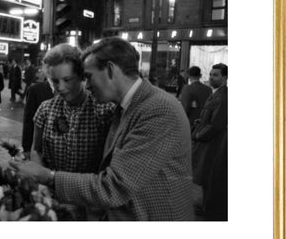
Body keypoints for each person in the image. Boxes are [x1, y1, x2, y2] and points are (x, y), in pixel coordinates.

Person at [12, 38, 195, 221]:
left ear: (110, 69)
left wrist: (48, 177)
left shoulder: (157, 109)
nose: (88, 86)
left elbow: (115, 187)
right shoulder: (125, 106)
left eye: (88, 77)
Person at [30, 44, 115, 174]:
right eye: (55, 81)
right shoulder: (45, 109)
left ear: (81, 76)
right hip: (50, 190)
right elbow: (36, 150)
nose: (61, 87)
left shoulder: (104, 110)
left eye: (67, 80)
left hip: (89, 190)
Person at [191, 63, 228, 221]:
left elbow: (216, 124)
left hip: (213, 144)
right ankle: (206, 205)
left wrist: (198, 135)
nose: (211, 77)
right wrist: (201, 121)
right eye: (211, 74)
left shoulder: (224, 96)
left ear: (225, 78)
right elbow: (210, 117)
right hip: (208, 141)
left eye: (216, 75)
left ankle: (210, 209)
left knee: (211, 175)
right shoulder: (216, 93)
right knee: (207, 175)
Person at [21, 66, 55, 158]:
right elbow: (29, 120)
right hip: (41, 148)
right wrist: (27, 148)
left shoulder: (68, 91)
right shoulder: (35, 90)